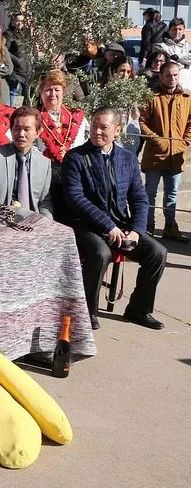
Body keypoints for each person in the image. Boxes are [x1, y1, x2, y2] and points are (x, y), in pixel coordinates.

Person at [63, 107, 167, 330]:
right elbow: (75, 198)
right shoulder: (75, 158)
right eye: (93, 126)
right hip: (85, 225)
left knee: (157, 253)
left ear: (117, 131)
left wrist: (136, 231)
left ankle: (139, 309)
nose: (97, 132)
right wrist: (108, 226)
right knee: (101, 254)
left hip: (122, 226)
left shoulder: (128, 159)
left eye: (104, 128)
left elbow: (139, 198)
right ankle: (87, 313)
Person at [140, 60, 191, 241]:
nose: (172, 78)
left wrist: (184, 141)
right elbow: (142, 122)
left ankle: (170, 227)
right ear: (161, 76)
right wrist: (157, 140)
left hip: (176, 155)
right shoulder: (151, 97)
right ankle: (148, 228)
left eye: (175, 75)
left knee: (172, 194)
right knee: (150, 193)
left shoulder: (187, 97)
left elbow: (190, 123)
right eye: (168, 75)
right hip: (155, 154)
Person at [0, 105, 52, 215]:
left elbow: (44, 203)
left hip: (32, 221)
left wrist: (47, 225)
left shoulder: (44, 163)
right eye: (17, 129)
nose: (21, 134)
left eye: (27, 129)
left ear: (37, 132)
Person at [37, 69, 89, 165]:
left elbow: (85, 143)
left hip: (74, 166)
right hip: (44, 167)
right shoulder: (34, 116)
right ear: (41, 92)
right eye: (48, 90)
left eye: (57, 90)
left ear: (63, 92)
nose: (53, 94)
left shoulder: (76, 116)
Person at [4, 12, 30, 106]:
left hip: (26, 68)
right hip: (14, 68)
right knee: (12, 91)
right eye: (17, 21)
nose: (19, 23)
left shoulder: (27, 34)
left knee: (27, 94)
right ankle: (10, 113)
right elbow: (5, 50)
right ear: (13, 21)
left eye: (22, 21)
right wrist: (17, 60)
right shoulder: (8, 34)